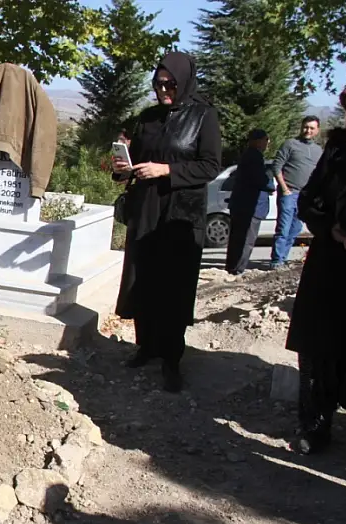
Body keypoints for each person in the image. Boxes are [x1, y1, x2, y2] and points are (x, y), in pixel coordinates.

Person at [112, 51, 222, 393]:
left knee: (173, 283)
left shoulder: (203, 117)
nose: (163, 91)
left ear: (183, 81)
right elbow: (137, 161)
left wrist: (167, 170)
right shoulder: (148, 118)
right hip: (146, 207)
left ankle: (172, 357)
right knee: (143, 278)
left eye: (169, 84)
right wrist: (123, 168)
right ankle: (146, 345)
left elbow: (210, 166)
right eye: (158, 84)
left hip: (181, 214)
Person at [284, 84, 346, 454]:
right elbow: (308, 199)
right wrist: (332, 228)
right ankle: (316, 423)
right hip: (330, 261)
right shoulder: (337, 149)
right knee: (319, 345)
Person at [270, 116, 323, 269]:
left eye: (312, 128)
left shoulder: (318, 150)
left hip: (305, 196)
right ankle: (276, 261)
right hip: (289, 193)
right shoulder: (290, 144)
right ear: (301, 127)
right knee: (283, 227)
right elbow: (276, 167)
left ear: (317, 130)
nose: (308, 130)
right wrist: (284, 188)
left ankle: (283, 258)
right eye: (306, 127)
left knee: (295, 229)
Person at [225, 129, 275, 275]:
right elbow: (260, 179)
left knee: (237, 238)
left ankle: (233, 267)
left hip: (241, 205)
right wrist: (270, 184)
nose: (267, 143)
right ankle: (237, 268)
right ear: (258, 141)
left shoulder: (247, 156)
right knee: (246, 239)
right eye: (266, 140)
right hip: (249, 206)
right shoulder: (254, 157)